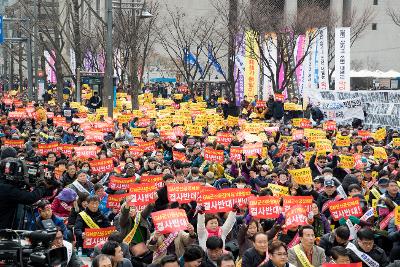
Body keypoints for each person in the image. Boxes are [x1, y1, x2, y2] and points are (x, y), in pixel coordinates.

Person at [0, 146, 54, 229]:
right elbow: (30, 198)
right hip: (5, 228)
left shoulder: (7, 181)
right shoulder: (6, 187)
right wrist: (42, 186)